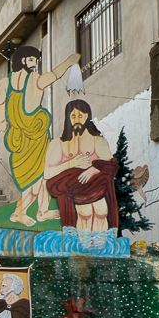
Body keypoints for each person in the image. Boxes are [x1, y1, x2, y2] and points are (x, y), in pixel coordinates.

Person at [0, 46, 82, 226]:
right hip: (31, 135)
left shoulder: (4, 84)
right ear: (23, 60)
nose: (35, 64)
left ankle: (43, 210)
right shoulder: (34, 79)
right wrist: (68, 62)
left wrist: (10, 124)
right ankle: (19, 213)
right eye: (33, 60)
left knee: (43, 175)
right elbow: (55, 74)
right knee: (33, 180)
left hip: (23, 137)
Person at [44, 99, 119, 232]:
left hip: (97, 186)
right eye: (73, 116)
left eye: (80, 115)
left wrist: (95, 169)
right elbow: (48, 173)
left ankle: (104, 240)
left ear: (87, 116)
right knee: (84, 214)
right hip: (70, 189)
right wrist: (72, 163)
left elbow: (111, 166)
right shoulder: (58, 143)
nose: (77, 119)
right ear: (68, 118)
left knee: (100, 212)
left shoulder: (98, 141)